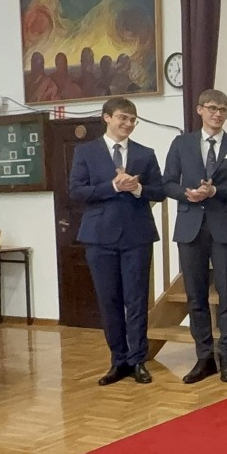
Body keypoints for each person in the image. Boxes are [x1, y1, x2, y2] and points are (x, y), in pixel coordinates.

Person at [68, 97, 163, 385]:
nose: (128, 124)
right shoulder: (86, 152)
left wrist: (138, 188)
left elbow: (159, 191)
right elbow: (76, 191)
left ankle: (138, 360)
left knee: (137, 301)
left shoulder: (145, 153)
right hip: (99, 237)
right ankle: (118, 361)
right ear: (107, 117)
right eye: (123, 117)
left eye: (133, 120)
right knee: (109, 301)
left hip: (137, 236)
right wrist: (112, 186)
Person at [163, 89, 227, 384]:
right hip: (190, 227)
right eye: (212, 108)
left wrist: (216, 191)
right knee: (195, 295)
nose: (218, 114)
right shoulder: (182, 143)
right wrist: (186, 194)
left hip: (223, 227)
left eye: (223, 109)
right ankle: (204, 357)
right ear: (200, 109)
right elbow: (167, 182)